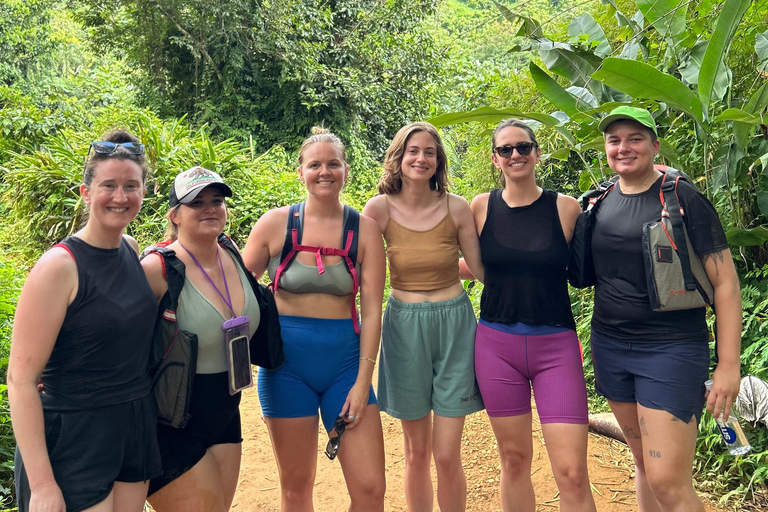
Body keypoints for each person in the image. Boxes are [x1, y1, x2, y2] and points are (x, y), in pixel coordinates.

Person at [590, 106, 742, 511]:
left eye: (635, 139)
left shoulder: (680, 196)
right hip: (610, 345)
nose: (624, 148)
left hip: (671, 349)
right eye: (614, 140)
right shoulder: (601, 200)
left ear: (655, 145)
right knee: (643, 464)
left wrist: (728, 365)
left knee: (668, 482)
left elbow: (725, 282)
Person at [8, 130, 161, 512]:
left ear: (144, 191)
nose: (121, 197)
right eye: (108, 185)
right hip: (76, 433)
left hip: (132, 423)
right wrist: (43, 486)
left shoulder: (130, 248)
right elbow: (21, 380)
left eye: (131, 185)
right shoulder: (59, 267)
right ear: (86, 192)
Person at [242, 127, 386, 511]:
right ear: (301, 171)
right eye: (315, 164)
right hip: (286, 367)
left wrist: (362, 381)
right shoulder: (275, 224)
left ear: (346, 170)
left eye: (333, 163)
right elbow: (235, 290)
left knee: (371, 490)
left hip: (345, 367)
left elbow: (372, 311)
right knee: (296, 487)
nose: (325, 172)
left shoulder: (365, 231)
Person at [468, 119, 596, 512]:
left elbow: (590, 269)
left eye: (523, 147)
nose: (515, 155)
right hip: (496, 345)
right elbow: (472, 264)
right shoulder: (480, 206)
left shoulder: (566, 207)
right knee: (514, 461)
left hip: (555, 347)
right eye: (505, 150)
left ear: (537, 153)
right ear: (495, 160)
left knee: (572, 470)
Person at [363, 121, 485, 512]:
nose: (421, 158)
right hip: (404, 325)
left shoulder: (457, 206)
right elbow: (361, 274)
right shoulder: (378, 209)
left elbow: (482, 270)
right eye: (413, 150)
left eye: (429, 152)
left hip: (455, 325)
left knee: (447, 454)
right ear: (399, 157)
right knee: (416, 451)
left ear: (438, 160)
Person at [141, 167, 259, 512]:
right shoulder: (157, 269)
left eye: (217, 201)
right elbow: (117, 332)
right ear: (174, 215)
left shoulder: (230, 252)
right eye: (197, 203)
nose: (210, 208)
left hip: (225, 410)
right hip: (171, 421)